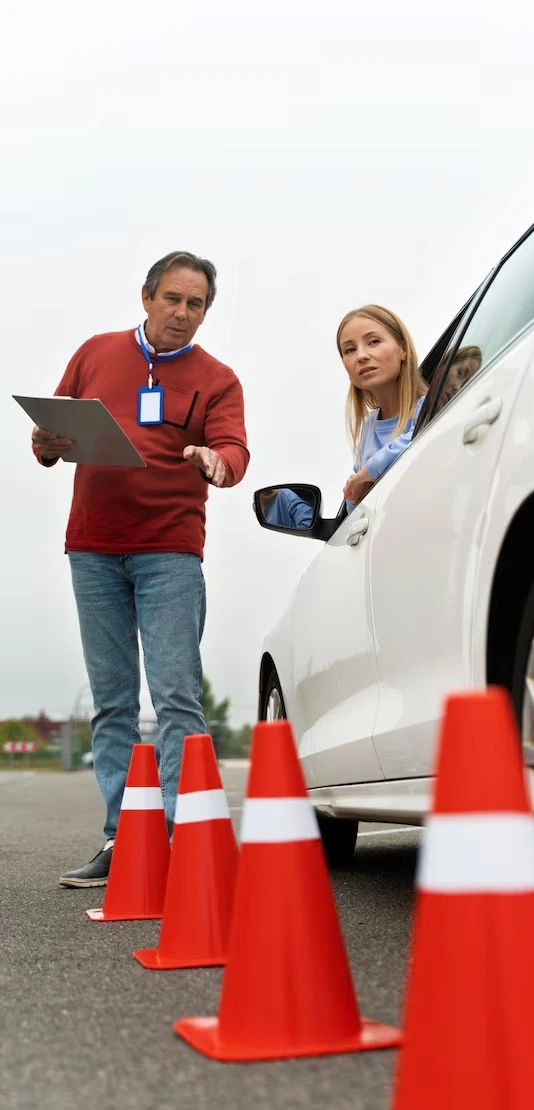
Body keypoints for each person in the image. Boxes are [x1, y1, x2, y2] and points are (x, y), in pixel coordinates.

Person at [31, 250, 249, 888]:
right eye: (173, 299)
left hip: (170, 551)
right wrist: (45, 445)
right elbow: (51, 435)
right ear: (147, 297)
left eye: (196, 304)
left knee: (178, 696)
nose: (183, 314)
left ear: (206, 311)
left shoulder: (219, 378)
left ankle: (182, 840)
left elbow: (234, 449)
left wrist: (218, 461)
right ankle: (121, 840)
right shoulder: (96, 353)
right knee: (113, 702)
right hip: (93, 547)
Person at [337, 304, 427, 512]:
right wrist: (354, 490)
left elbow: (418, 439)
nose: (361, 355)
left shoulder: (430, 406)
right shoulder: (368, 428)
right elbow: (356, 511)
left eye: (373, 342)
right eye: (350, 350)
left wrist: (368, 472)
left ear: (403, 349)